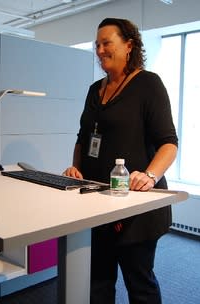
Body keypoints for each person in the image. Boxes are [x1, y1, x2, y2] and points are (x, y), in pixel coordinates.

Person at [63, 17, 178, 304]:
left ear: (129, 46)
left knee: (139, 282)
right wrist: (76, 167)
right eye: (97, 44)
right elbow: (83, 137)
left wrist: (150, 175)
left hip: (134, 207)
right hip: (95, 203)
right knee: (98, 283)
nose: (100, 50)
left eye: (107, 43)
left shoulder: (148, 84)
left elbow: (169, 143)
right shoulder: (94, 90)